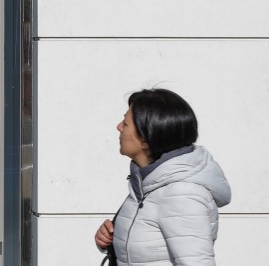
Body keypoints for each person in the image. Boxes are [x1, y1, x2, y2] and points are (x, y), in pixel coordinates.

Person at [94, 89, 231, 266]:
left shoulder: (181, 194)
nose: (119, 127)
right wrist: (111, 241)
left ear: (146, 138)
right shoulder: (149, 184)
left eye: (126, 124)